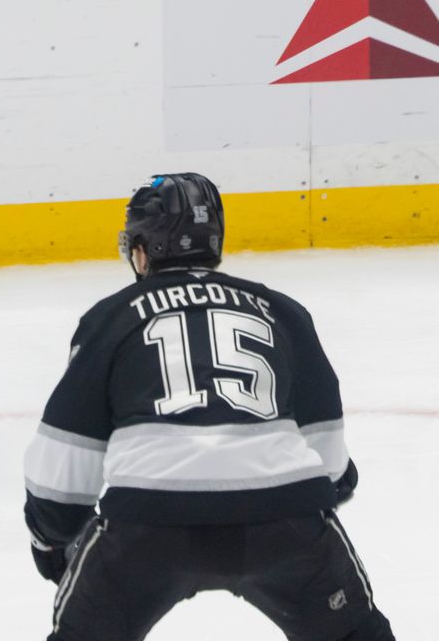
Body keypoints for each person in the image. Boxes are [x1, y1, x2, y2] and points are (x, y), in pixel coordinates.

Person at [22, 173, 394, 640]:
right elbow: (326, 441)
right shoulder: (282, 310)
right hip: (283, 516)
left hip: (149, 521)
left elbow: (66, 451)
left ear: (145, 249)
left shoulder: (112, 316)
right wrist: (330, 488)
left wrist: (52, 537)